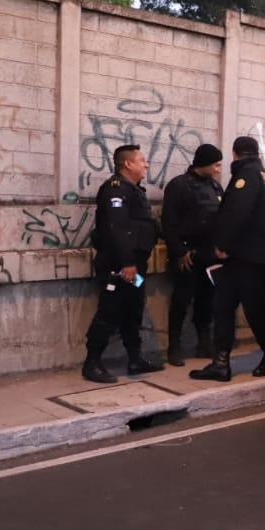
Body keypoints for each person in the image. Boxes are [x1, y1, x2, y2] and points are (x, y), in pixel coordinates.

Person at [189, 136, 265, 382]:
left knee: (254, 312)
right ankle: (221, 363)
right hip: (244, 259)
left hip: (246, 258)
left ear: (235, 153)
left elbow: (237, 213)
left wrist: (222, 246)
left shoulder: (247, 176)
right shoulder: (259, 173)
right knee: (223, 307)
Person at [82, 144, 164, 383]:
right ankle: (92, 363)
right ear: (128, 164)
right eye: (142, 160)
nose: (146, 164)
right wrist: (127, 263)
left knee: (133, 309)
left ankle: (135, 358)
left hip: (135, 266)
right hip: (119, 266)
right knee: (110, 311)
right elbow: (117, 230)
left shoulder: (134, 190)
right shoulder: (115, 190)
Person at [161, 143, 224, 366]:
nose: (218, 169)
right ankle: (174, 347)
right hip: (187, 255)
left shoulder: (215, 188)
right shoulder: (179, 186)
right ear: (204, 163)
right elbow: (169, 223)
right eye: (216, 164)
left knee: (206, 301)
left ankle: (204, 342)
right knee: (181, 301)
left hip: (210, 255)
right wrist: (179, 251)